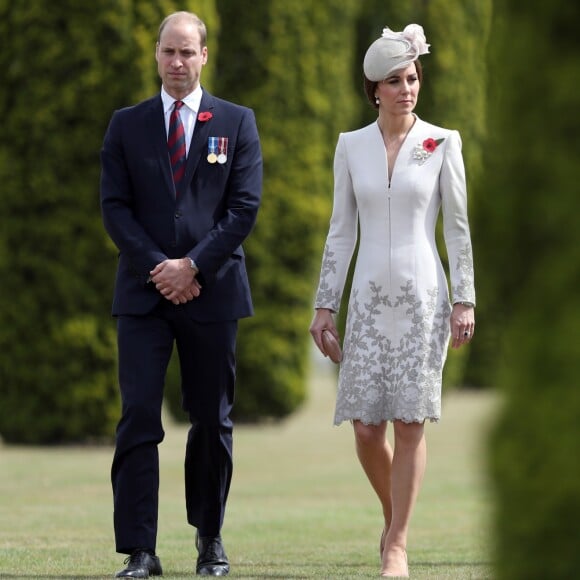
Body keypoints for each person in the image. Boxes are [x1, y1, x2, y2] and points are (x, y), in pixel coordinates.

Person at [100, 10, 262, 578]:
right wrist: (160, 268)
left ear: (204, 56)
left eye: (187, 52)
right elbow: (114, 208)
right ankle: (140, 551)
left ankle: (210, 539)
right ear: (156, 55)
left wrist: (192, 266)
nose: (177, 62)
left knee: (212, 421)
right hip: (143, 297)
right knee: (139, 417)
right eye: (168, 52)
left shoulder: (237, 122)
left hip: (212, 294)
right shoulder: (127, 125)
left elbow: (243, 209)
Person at [309, 24, 475, 578]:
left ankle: (397, 545)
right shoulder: (349, 146)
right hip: (368, 303)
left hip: (425, 297)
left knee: (409, 423)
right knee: (364, 427)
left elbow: (457, 229)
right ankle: (392, 515)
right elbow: (339, 232)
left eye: (412, 78)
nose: (406, 88)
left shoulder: (442, 142)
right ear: (372, 88)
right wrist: (324, 304)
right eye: (394, 81)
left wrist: (465, 300)